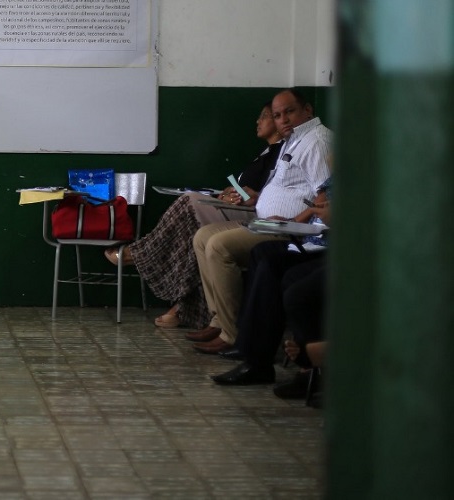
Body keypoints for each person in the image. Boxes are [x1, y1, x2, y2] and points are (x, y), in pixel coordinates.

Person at [103, 102, 283, 329]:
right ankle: (182, 307)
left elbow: (268, 194)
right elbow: (247, 189)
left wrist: (250, 196)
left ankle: (140, 254)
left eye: (264, 116)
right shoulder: (264, 154)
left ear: (277, 122)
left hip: (255, 216)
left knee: (189, 202)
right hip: (238, 208)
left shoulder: (281, 154)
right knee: (194, 235)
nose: (258, 121)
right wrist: (230, 193)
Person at [189, 88, 331, 355]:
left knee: (219, 245)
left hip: (292, 230)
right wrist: (258, 198)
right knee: (202, 237)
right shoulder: (292, 140)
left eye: (289, 112)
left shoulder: (317, 141)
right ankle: (219, 321)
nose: (283, 120)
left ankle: (233, 334)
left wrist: (292, 220)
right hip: (265, 220)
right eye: (277, 115)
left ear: (308, 110)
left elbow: (324, 195)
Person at [210, 179, 330, 386]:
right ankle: (251, 352)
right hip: (310, 242)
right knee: (263, 253)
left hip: (331, 248)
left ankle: (307, 367)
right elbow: (318, 205)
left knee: (290, 279)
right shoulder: (339, 178)